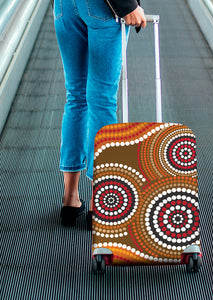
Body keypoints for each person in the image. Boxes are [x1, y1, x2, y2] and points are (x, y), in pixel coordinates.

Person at [53, 0, 146, 226]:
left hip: (64, 7)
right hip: (104, 8)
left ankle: (70, 198)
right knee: (101, 101)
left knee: (75, 97)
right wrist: (128, 5)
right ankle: (100, 202)